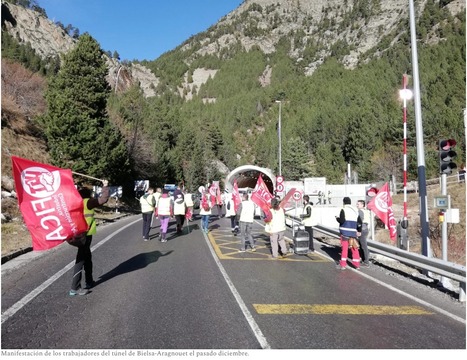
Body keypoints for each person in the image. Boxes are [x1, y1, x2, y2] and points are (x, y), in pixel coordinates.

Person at [69, 179, 110, 296]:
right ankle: (74, 288)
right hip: (84, 234)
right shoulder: (87, 202)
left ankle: (89, 281)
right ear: (88, 195)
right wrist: (105, 186)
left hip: (77, 233)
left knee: (87, 257)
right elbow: (103, 199)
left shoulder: (74, 202)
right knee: (80, 259)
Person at [335, 196, 362, 270]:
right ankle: (357, 264)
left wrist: (337, 218)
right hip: (353, 232)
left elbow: (342, 221)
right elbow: (359, 222)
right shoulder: (355, 210)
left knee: (345, 248)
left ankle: (343, 264)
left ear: (343, 202)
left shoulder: (343, 209)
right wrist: (359, 230)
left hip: (344, 232)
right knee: (354, 247)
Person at [356, 200, 371, 267]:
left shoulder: (360, 211)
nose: (357, 205)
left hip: (362, 229)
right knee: (363, 245)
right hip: (366, 228)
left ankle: (366, 261)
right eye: (357, 204)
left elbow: (359, 221)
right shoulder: (366, 211)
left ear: (362, 205)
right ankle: (364, 259)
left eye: (358, 204)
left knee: (363, 245)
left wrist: (358, 230)